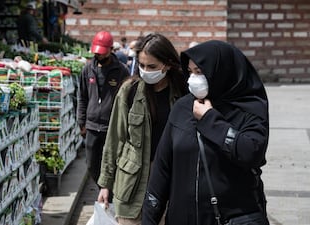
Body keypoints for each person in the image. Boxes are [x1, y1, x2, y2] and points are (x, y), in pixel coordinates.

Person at [142, 40, 270, 225]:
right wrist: (149, 218)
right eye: (190, 71)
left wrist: (210, 120)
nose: (192, 79)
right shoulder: (183, 108)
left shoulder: (249, 109)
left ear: (221, 72)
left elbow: (251, 152)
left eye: (199, 72)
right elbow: (162, 170)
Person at [97, 33, 189, 225]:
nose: (146, 71)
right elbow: (115, 138)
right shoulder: (129, 90)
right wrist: (105, 184)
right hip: (132, 185)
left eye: (152, 66)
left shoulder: (182, 93)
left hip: (170, 183)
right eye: (142, 65)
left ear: (168, 64)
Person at [77, 31, 130, 192]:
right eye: (96, 52)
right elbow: (82, 97)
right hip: (92, 125)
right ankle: (102, 188)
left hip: (111, 127)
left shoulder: (121, 71)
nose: (98, 55)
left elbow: (127, 101)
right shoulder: (88, 69)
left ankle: (108, 192)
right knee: (92, 164)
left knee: (111, 162)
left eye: (102, 52)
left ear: (111, 49)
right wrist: (81, 121)